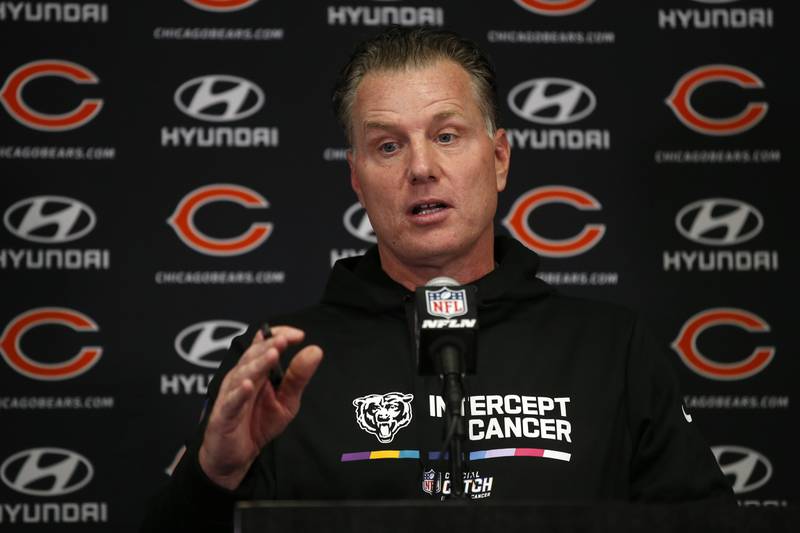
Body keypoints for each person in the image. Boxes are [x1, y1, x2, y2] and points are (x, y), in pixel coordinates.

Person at [141, 27, 732, 532]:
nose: (421, 169)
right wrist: (213, 479)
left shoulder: (611, 349)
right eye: (388, 145)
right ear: (356, 178)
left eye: (447, 136)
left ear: (499, 158)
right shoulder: (281, 360)